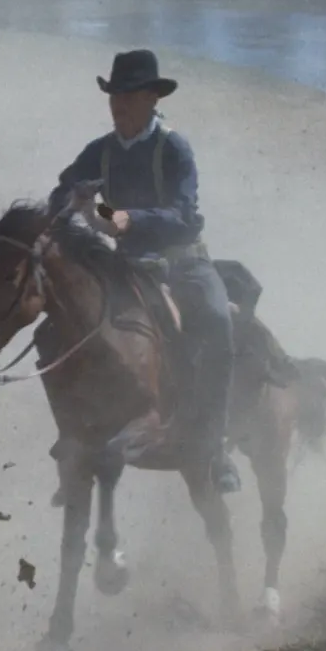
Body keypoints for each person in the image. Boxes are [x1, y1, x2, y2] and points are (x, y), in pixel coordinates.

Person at [51, 49, 241, 495]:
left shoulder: (173, 147)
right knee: (59, 328)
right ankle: (75, 440)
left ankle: (214, 450)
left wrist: (128, 219)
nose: (119, 107)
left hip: (184, 262)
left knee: (216, 323)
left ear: (151, 99)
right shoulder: (99, 151)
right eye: (115, 98)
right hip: (127, 265)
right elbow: (63, 191)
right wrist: (81, 204)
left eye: (128, 98)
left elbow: (182, 213)